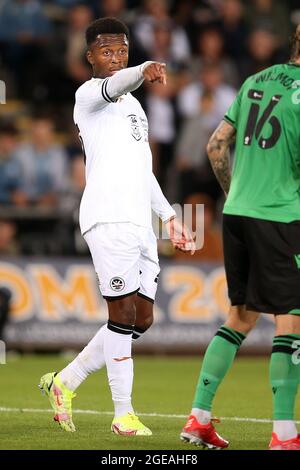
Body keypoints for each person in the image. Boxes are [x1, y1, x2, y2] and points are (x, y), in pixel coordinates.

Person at [39, 17, 195, 436]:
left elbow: (143, 169)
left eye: (122, 51)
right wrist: (142, 70)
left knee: (140, 319)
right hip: (107, 217)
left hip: (139, 222)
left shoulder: (135, 108)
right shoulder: (89, 94)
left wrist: (169, 216)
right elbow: (116, 84)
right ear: (89, 56)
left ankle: (64, 381)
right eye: (106, 51)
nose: (114, 58)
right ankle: (123, 414)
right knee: (122, 315)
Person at [180, 25, 300, 450]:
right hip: (281, 217)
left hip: (237, 213)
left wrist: (236, 194)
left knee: (241, 316)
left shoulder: (254, 80)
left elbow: (216, 145)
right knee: (292, 319)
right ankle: (284, 434)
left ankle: (199, 417)